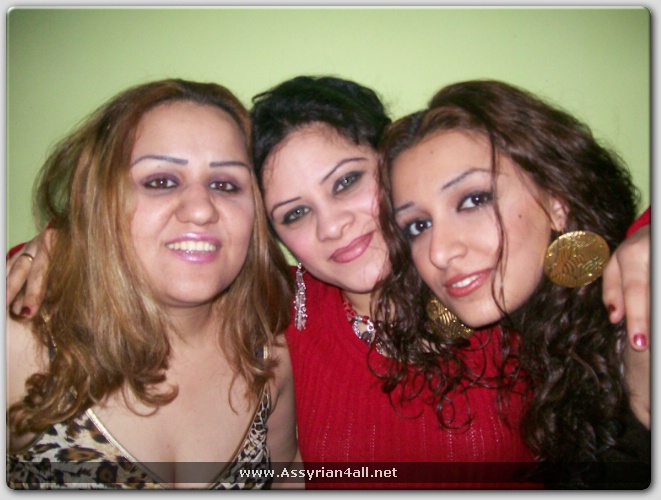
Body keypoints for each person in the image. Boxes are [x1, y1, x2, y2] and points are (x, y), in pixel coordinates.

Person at [6, 75, 651, 489]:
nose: (333, 225)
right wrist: (63, 243)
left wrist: (647, 237)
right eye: (294, 214)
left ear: (391, 167)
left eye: (346, 182)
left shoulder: (492, 288)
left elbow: (612, 262)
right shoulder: (277, 309)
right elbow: (173, 263)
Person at [6, 79, 300, 489]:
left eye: (225, 185)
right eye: (160, 181)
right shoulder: (22, 341)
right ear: (102, 200)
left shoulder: (266, 355)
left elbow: (287, 479)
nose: (201, 210)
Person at [375, 79, 650, 488]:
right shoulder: (537, 339)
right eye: (418, 225)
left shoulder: (635, 318)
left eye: (474, 200)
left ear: (557, 202)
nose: (439, 252)